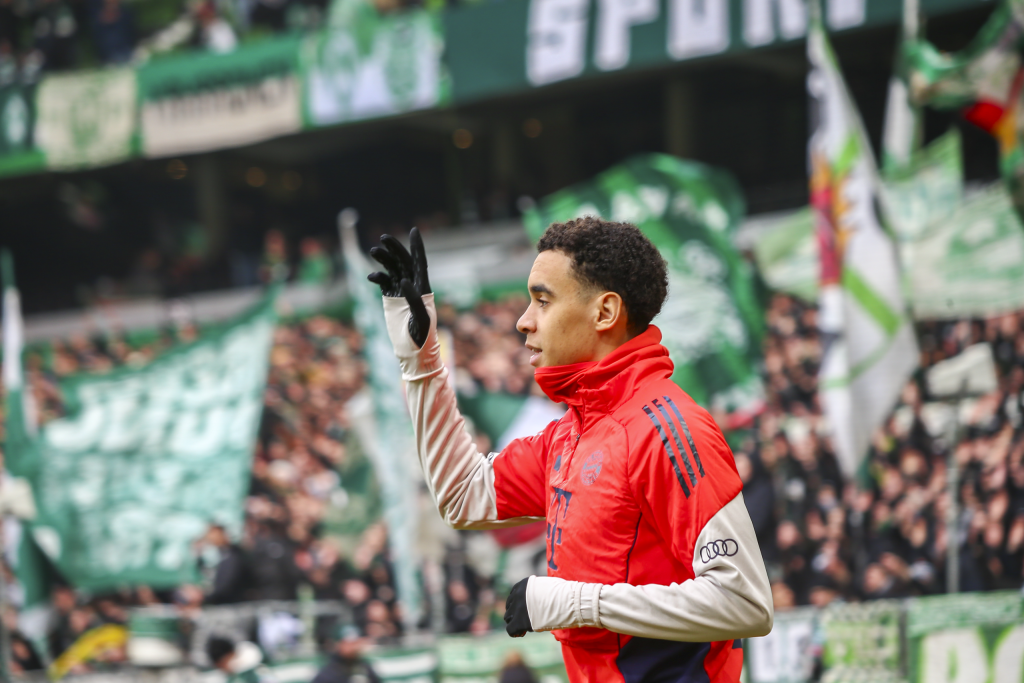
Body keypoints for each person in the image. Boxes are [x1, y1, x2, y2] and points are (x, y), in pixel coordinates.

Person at [368, 217, 773, 682]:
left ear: (605, 312)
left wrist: (577, 602)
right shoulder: (571, 432)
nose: (523, 320)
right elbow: (462, 496)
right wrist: (420, 361)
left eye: (543, 300)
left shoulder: (668, 429)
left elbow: (745, 602)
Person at [311, 626, 382, 683]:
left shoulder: (364, 667)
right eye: (349, 643)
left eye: (356, 642)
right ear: (338, 644)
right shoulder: (329, 672)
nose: (353, 647)